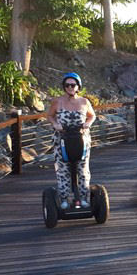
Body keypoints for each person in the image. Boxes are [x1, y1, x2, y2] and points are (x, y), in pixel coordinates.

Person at [47, 72, 96, 209]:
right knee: (63, 171)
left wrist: (88, 124)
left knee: (83, 170)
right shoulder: (57, 101)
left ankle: (84, 198)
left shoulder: (84, 102)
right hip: (61, 140)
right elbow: (50, 116)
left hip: (82, 140)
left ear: (78, 86)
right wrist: (56, 124)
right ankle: (64, 199)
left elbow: (92, 116)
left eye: (73, 85)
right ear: (64, 86)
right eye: (67, 85)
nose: (70, 87)